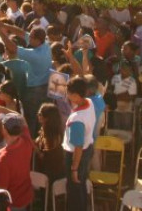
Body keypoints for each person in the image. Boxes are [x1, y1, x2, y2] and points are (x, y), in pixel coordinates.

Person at [62, 76, 95, 211]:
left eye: (68, 93)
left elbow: (78, 147)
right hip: (87, 150)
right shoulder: (89, 102)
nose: (67, 96)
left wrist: (74, 168)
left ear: (75, 95)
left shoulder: (77, 119)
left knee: (74, 191)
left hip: (77, 156)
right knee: (80, 188)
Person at [0, 114, 33, 211]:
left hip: (13, 203)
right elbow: (22, 119)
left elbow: (2, 189)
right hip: (27, 196)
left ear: (4, 130)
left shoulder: (4, 158)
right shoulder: (27, 141)